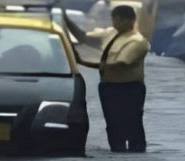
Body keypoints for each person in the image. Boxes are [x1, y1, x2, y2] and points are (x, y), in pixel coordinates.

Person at [64, 6, 150, 152]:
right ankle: (117, 149)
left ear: (131, 20)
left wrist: (84, 62)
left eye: (120, 20)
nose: (116, 23)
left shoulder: (138, 41)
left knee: (132, 121)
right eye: (115, 19)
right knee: (112, 123)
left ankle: (136, 150)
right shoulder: (110, 33)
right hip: (108, 87)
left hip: (129, 88)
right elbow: (83, 37)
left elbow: (120, 63)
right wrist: (66, 22)